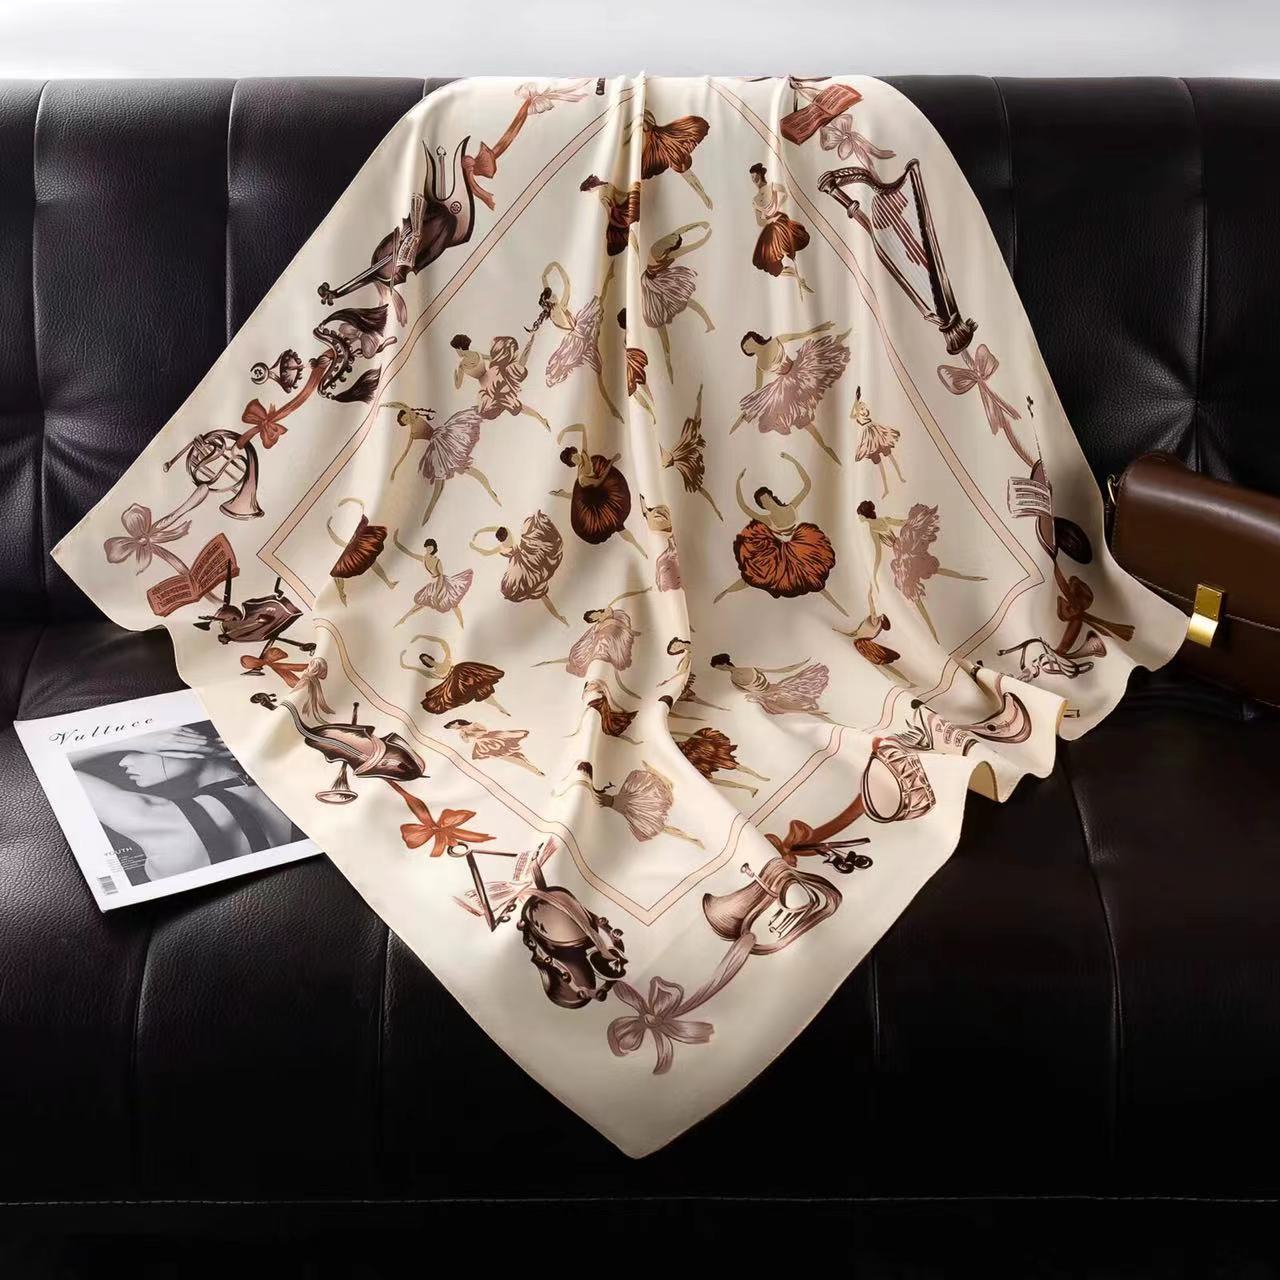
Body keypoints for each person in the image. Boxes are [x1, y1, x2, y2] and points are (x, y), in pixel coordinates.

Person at [70, 724, 296, 882]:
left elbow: (58, 771)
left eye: (141, 748)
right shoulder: (289, 787)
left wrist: (129, 740)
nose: (123, 761)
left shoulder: (156, 818)